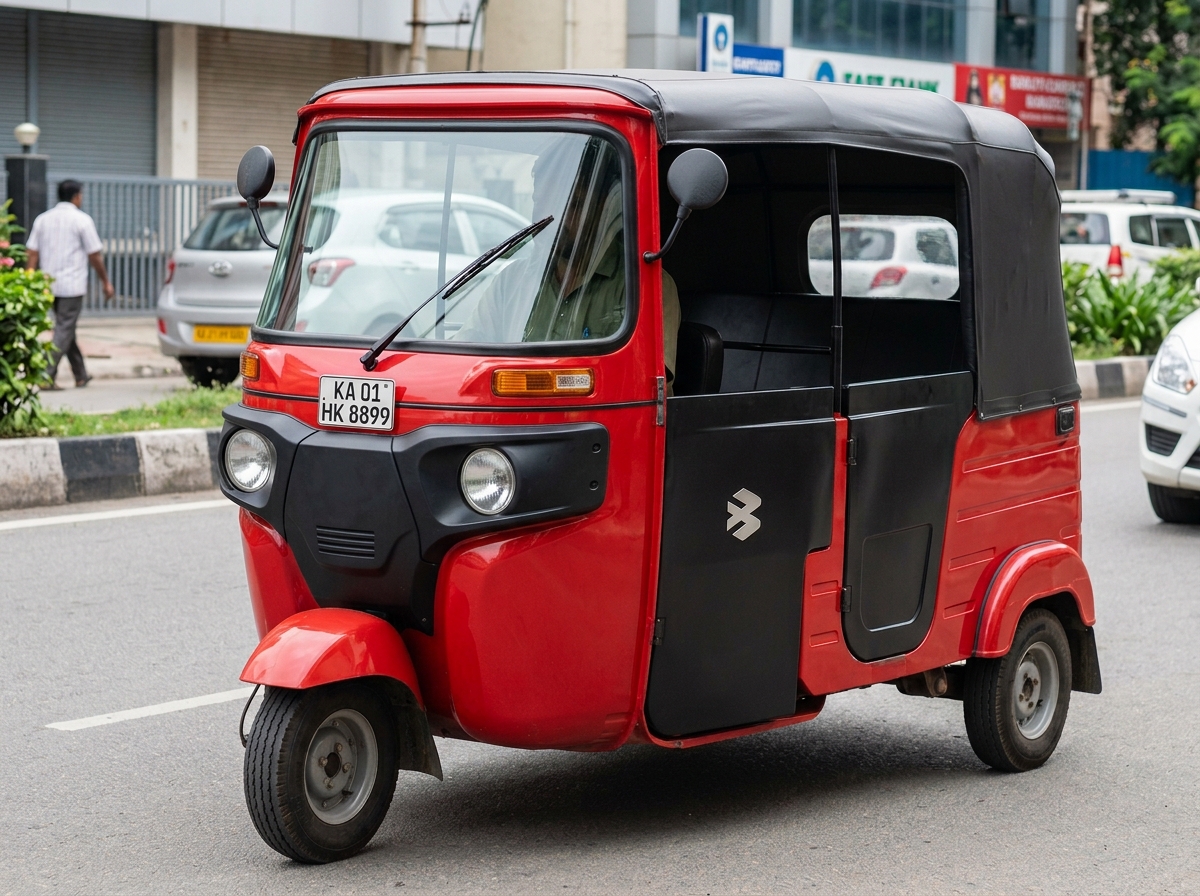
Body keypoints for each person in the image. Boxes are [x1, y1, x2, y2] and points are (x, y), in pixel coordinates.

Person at [455, 138, 681, 384]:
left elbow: (642, 384)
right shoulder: (511, 282)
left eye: (568, 204)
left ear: (603, 209)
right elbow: (462, 360)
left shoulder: (645, 286)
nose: (547, 219)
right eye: (540, 201)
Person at [25, 180, 115, 388]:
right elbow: (95, 254)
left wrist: (31, 279)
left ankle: (80, 374)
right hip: (71, 286)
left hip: (47, 285)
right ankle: (45, 376)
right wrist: (105, 281)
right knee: (65, 329)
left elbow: (32, 252)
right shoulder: (82, 220)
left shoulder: (43, 220)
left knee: (66, 329)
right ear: (76, 196)